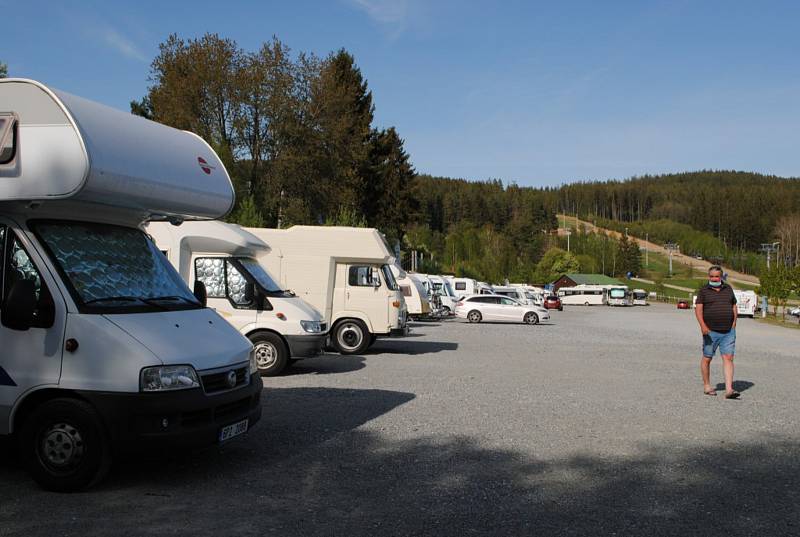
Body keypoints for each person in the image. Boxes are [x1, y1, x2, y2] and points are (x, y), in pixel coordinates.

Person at [695, 265, 739, 399]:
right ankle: (707, 386)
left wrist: (734, 323)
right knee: (707, 358)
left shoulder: (728, 289)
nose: (714, 278)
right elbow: (698, 310)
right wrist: (703, 326)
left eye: (717, 276)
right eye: (712, 276)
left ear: (721, 277)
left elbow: (733, 305)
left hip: (728, 332)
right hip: (710, 331)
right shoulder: (703, 291)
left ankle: (729, 389)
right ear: (709, 277)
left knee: (728, 358)